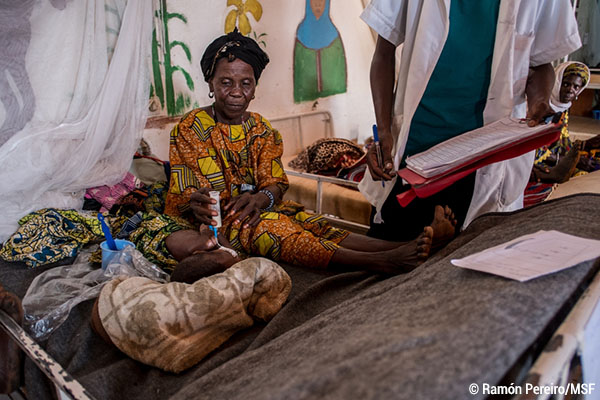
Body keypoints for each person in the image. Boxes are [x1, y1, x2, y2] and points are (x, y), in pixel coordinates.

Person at [164, 29, 458, 275]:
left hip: (259, 210)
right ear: (210, 85)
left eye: (246, 83)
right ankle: (381, 261)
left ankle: (410, 243)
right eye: (225, 82)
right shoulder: (190, 129)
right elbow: (191, 196)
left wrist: (261, 197)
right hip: (219, 224)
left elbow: (276, 184)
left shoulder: (263, 130)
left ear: (255, 88)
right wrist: (203, 204)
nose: (237, 91)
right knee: (275, 228)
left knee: (314, 223)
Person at [359, 0, 582, 242]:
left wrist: (539, 102)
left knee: (470, 261)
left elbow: (541, 62)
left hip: (488, 159)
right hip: (413, 153)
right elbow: (383, 52)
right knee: (390, 249)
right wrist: (384, 133)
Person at [530, 61, 599, 184]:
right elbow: (532, 147)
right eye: (566, 84)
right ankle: (544, 175)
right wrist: (564, 160)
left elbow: (562, 142)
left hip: (551, 157)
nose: (570, 90)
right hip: (532, 157)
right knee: (580, 175)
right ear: (556, 83)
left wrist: (585, 145)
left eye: (576, 87)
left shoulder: (562, 108)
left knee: (590, 167)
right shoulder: (542, 107)